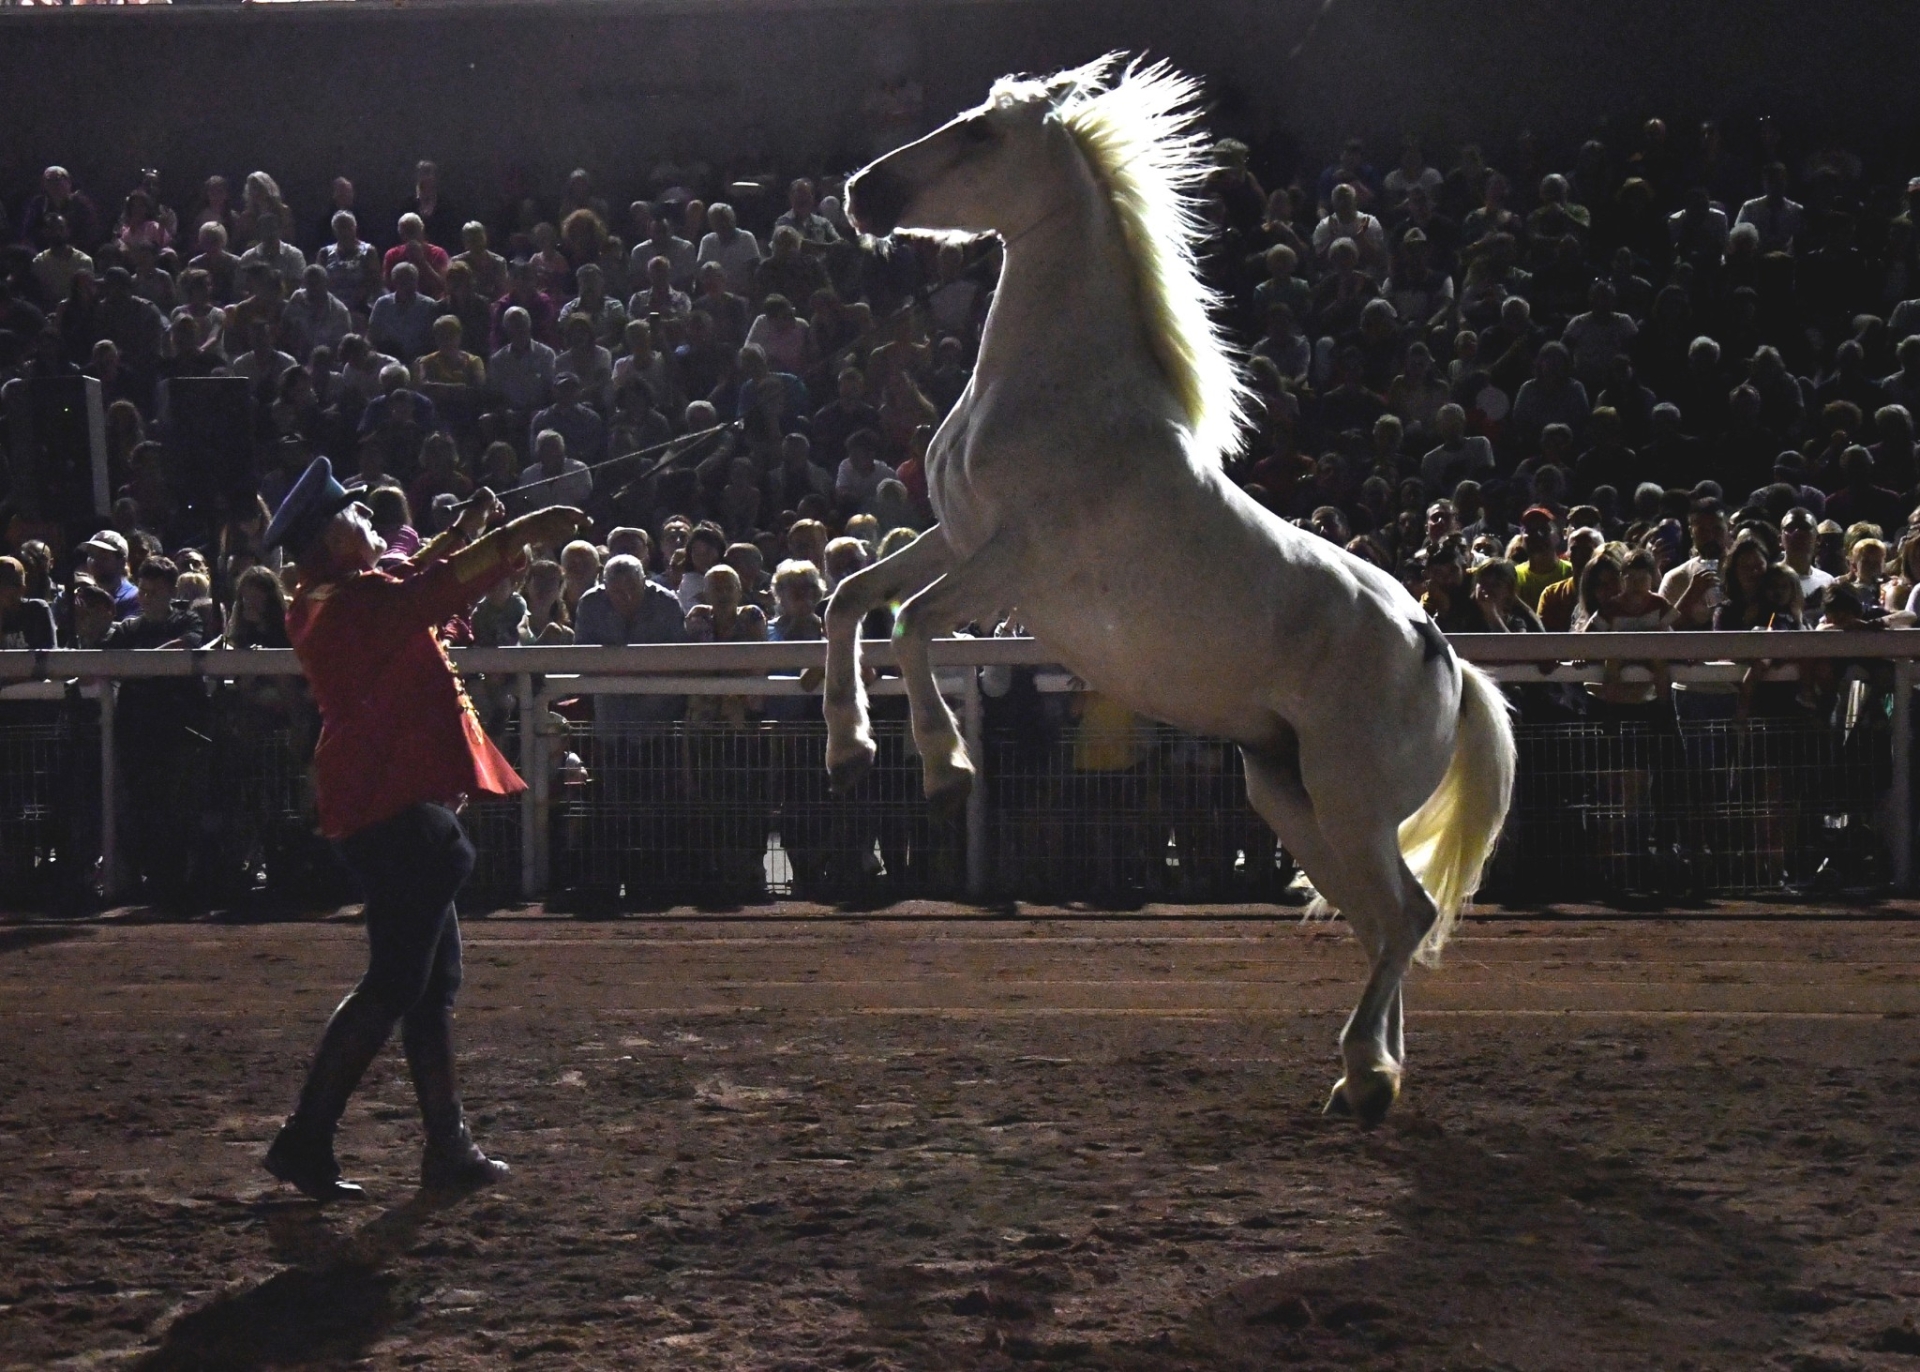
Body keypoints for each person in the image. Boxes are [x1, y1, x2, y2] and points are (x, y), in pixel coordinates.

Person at [260, 457, 585, 1201]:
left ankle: (444, 1146)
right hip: (393, 809)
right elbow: (427, 591)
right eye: (359, 517)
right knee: (399, 982)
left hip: (380, 803)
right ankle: (310, 1138)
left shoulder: (326, 599)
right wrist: (515, 539)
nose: (373, 523)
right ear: (331, 537)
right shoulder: (357, 603)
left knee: (426, 985)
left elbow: (410, 572)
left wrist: (463, 533)